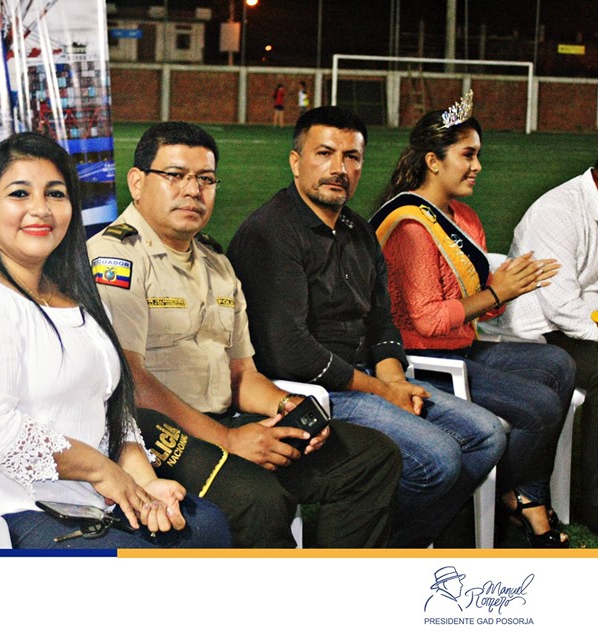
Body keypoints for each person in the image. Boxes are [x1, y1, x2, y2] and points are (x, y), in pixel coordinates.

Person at [0, 132, 230, 549]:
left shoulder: (73, 295)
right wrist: (102, 470)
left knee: (206, 526)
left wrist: (145, 485)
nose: (41, 209)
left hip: (81, 503)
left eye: (55, 193)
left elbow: (111, 408)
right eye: (20, 194)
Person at [87, 121, 401, 548]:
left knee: (369, 457)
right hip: (152, 436)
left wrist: (288, 406)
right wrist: (228, 440)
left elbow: (242, 375)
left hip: (224, 423)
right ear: (137, 182)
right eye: (175, 175)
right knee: (260, 500)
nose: (193, 191)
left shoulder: (216, 263)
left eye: (205, 179)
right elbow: (132, 382)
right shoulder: (115, 258)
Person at [227, 106, 506, 548]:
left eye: (352, 157)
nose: (339, 168)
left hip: (369, 380)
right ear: (296, 162)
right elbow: (290, 351)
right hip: (312, 392)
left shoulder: (358, 231)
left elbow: (381, 320)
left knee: (486, 436)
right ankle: (373, 548)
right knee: (438, 458)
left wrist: (394, 379)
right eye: (324, 153)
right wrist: (382, 390)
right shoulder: (270, 233)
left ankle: (395, 544)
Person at [370, 93, 575, 548]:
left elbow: (478, 301)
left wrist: (503, 291)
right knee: (540, 406)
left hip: (461, 348)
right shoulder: (411, 227)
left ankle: (519, 494)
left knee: (560, 364)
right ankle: (521, 504)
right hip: (421, 360)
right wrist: (496, 292)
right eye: (467, 155)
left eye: (478, 154)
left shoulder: (463, 216)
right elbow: (426, 320)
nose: (477, 166)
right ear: (433, 161)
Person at [491, 159, 598, 534]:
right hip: (537, 333)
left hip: (578, 325)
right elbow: (562, 308)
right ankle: (594, 506)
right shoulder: (558, 210)